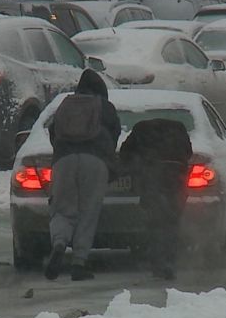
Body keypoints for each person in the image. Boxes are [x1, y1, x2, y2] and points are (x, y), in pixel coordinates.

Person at [45, 68, 121, 281]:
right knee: (88, 211)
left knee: (62, 208)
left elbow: (53, 132)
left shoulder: (66, 105)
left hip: (64, 160)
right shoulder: (105, 107)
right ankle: (79, 262)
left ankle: (59, 243)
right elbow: (114, 134)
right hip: (95, 162)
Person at [119, 118, 192, 280]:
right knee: (172, 220)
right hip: (176, 175)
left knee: (156, 220)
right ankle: (170, 259)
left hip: (152, 176)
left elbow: (126, 153)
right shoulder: (178, 127)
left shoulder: (141, 130)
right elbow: (188, 153)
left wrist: (132, 169)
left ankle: (158, 261)